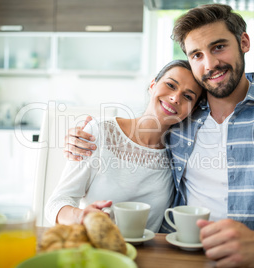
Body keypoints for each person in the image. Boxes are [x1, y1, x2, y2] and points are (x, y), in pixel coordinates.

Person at [63, 4, 254, 267]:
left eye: (218, 47)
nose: (210, 64)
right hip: (172, 258)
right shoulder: (182, 116)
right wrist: (87, 134)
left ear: (244, 42)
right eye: (197, 55)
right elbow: (136, 131)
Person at [45, 60, 204, 234]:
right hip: (97, 252)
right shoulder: (99, 133)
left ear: (193, 109)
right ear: (153, 85)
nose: (175, 98)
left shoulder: (179, 154)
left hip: (147, 258)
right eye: (170, 85)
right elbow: (56, 204)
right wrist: (80, 217)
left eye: (188, 96)